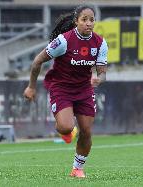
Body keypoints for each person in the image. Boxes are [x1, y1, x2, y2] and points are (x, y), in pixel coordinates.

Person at [23, 5, 108, 178]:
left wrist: (99, 79)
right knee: (65, 127)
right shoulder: (63, 41)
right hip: (61, 88)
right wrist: (31, 86)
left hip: (84, 89)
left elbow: (102, 72)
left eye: (92, 20)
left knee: (86, 131)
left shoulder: (100, 43)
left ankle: (77, 169)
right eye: (84, 19)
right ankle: (66, 131)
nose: (88, 23)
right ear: (76, 21)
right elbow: (37, 62)